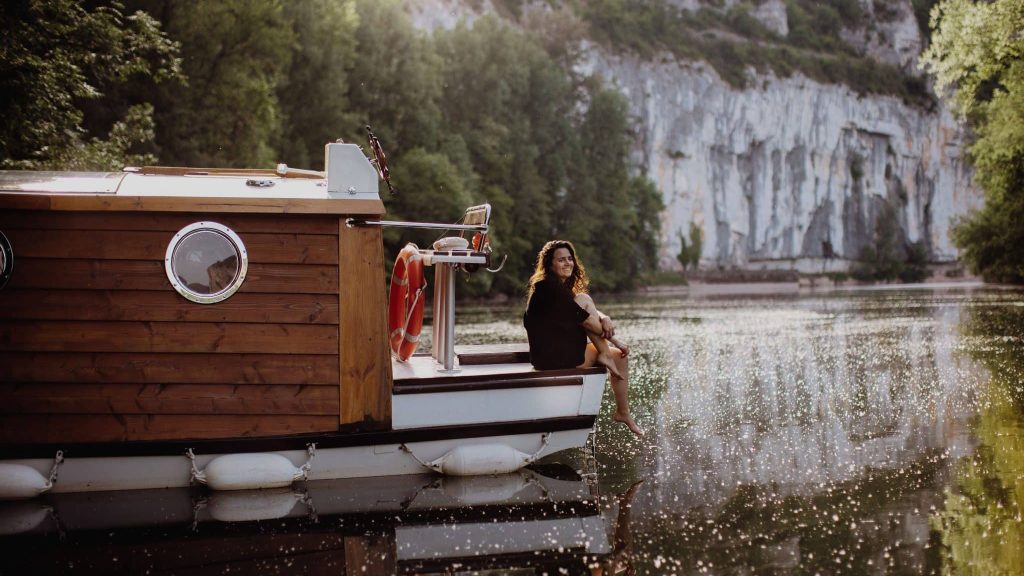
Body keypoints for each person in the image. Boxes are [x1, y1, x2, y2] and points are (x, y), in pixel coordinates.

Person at [523, 240, 643, 437]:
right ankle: (620, 405)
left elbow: (582, 310)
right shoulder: (549, 288)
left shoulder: (553, 288)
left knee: (619, 357)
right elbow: (586, 321)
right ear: (549, 264)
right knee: (616, 350)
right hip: (553, 359)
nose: (567, 263)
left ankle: (623, 412)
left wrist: (605, 318)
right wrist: (617, 341)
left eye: (570, 259)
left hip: (551, 354)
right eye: (561, 260)